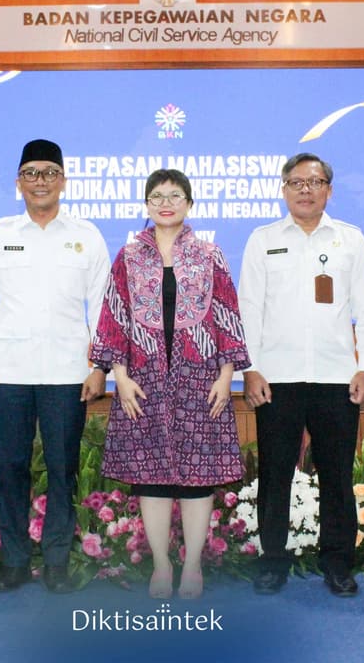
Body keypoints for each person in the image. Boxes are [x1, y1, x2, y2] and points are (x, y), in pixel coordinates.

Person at [92, 169, 250, 600]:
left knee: (199, 478)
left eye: (175, 195)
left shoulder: (209, 255)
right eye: (157, 196)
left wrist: (226, 376)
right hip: (141, 382)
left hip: (201, 381)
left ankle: (193, 565)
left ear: (189, 203)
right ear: (146, 205)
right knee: (152, 478)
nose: (166, 203)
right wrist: (120, 377)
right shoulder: (128, 257)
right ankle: (162, 565)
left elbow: (227, 315)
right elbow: (114, 316)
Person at [0, 139, 109, 594]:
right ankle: (12, 561)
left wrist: (100, 366)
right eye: (31, 173)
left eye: (49, 172)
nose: (40, 181)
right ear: (18, 182)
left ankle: (56, 563)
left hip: (68, 373)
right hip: (8, 372)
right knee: (10, 468)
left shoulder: (86, 235)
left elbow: (102, 307)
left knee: (63, 469)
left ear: (63, 181)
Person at [238, 153, 364, 597]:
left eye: (315, 182)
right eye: (296, 182)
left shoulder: (350, 240)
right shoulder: (263, 240)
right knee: (275, 475)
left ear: (329, 190)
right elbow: (248, 310)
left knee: (337, 476)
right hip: (276, 378)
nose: (305, 189)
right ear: (283, 189)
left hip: (337, 378)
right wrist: (250, 368)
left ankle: (337, 563)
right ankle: (272, 562)